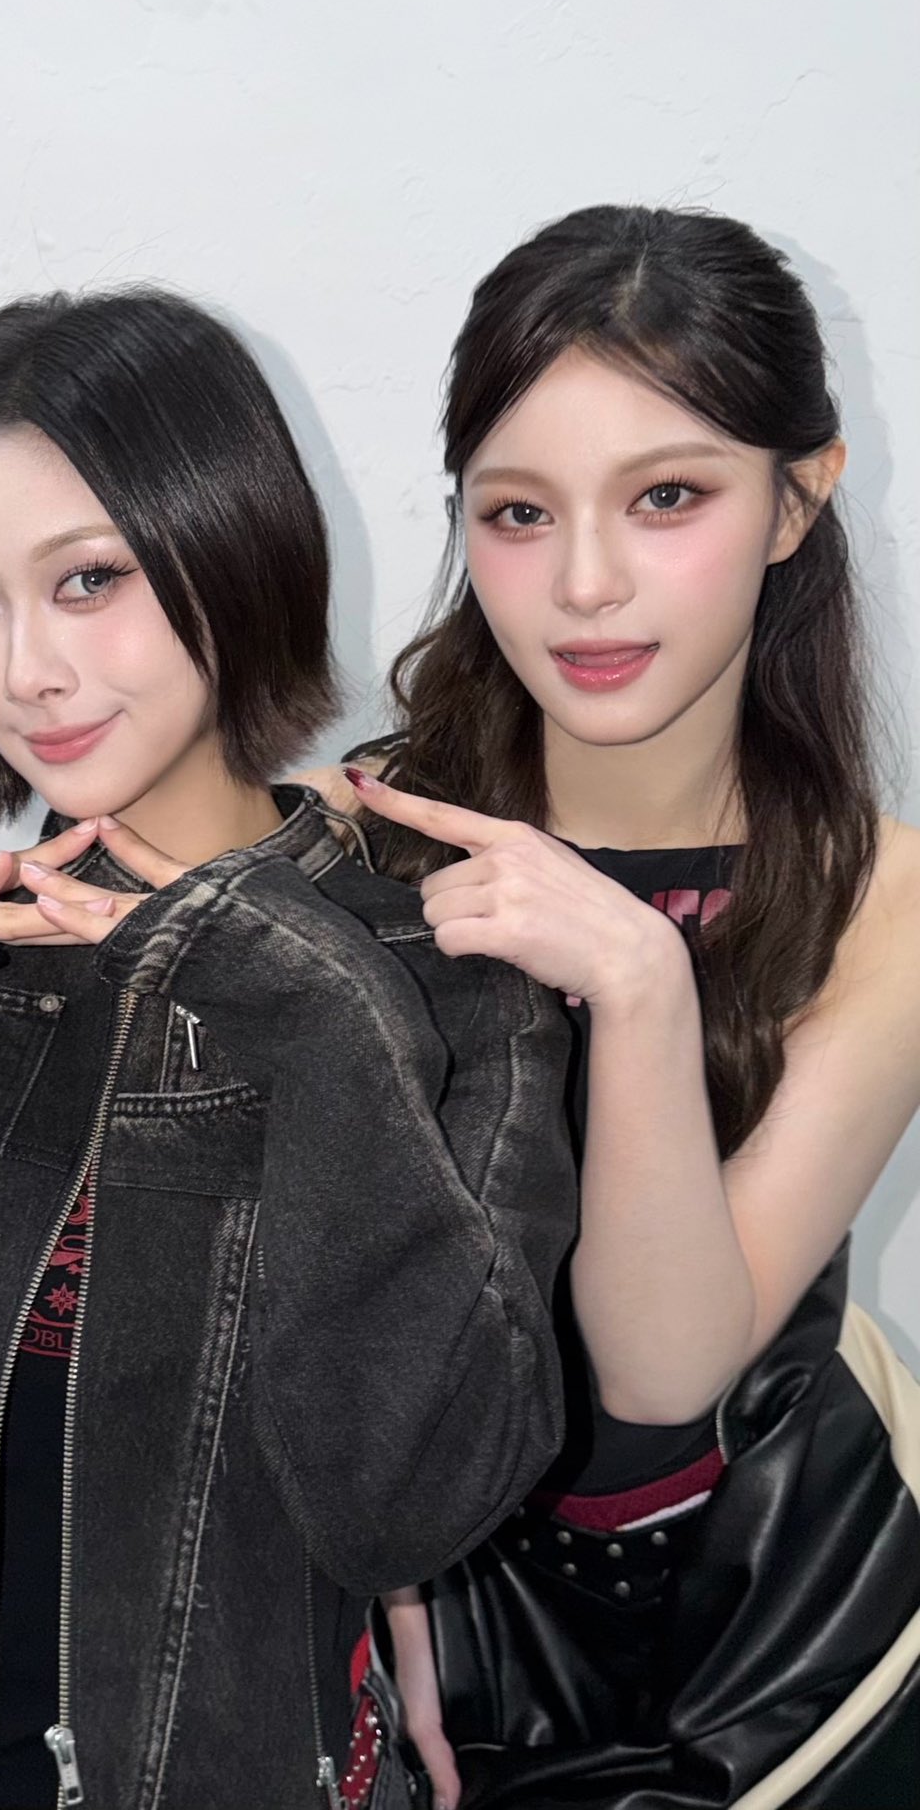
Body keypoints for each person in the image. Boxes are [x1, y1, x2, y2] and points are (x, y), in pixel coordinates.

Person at [0, 289, 579, 1810]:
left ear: (236, 543)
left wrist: (309, 1010)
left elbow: (405, 1508)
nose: (25, 672)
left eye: (90, 580)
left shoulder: (446, 976)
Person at [342, 205, 920, 1808]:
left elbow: (667, 1373)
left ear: (800, 496)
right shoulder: (354, 840)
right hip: (427, 1622)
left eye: (668, 497)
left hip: (791, 1636)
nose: (585, 585)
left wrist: (643, 983)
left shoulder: (890, 899)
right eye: (519, 513)